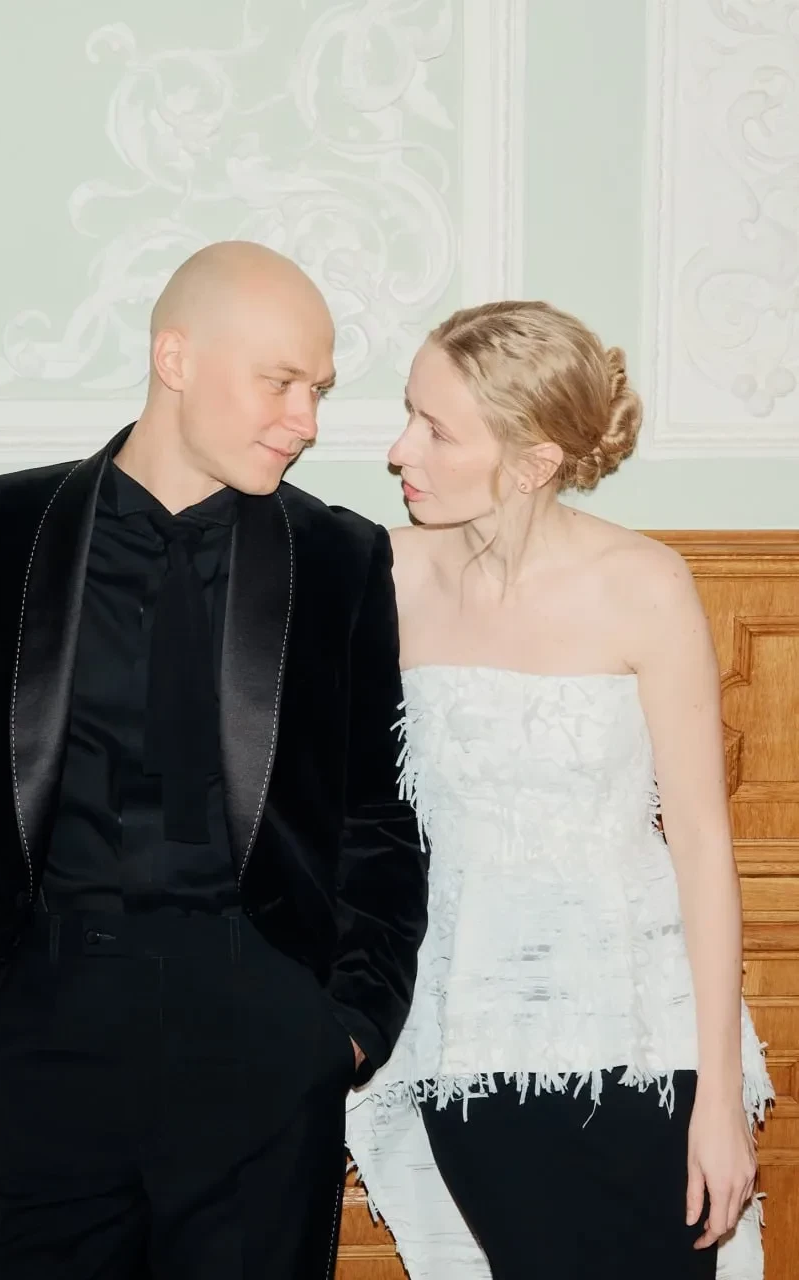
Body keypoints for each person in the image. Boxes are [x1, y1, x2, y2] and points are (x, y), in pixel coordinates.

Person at [0, 240, 428, 1280]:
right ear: (175, 358)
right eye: (280, 382)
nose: (307, 421)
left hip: (261, 1029)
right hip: (38, 1024)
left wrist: (349, 1024)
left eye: (317, 390)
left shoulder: (340, 557)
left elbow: (378, 809)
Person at [345, 300, 772, 1280]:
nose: (399, 448)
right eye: (409, 412)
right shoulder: (385, 574)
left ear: (533, 461)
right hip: (466, 1039)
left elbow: (700, 844)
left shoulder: (645, 583)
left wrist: (715, 1098)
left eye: (436, 428)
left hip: (643, 1041)